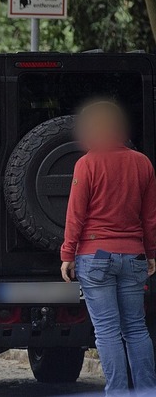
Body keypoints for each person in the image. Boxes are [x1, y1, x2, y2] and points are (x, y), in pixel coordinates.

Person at [61, 100, 156, 396]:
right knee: (137, 329)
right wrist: (151, 254)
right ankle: (146, 390)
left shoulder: (87, 163)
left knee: (107, 331)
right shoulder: (143, 163)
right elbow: (150, 217)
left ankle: (116, 392)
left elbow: (75, 214)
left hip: (97, 254)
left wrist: (67, 254)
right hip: (134, 254)